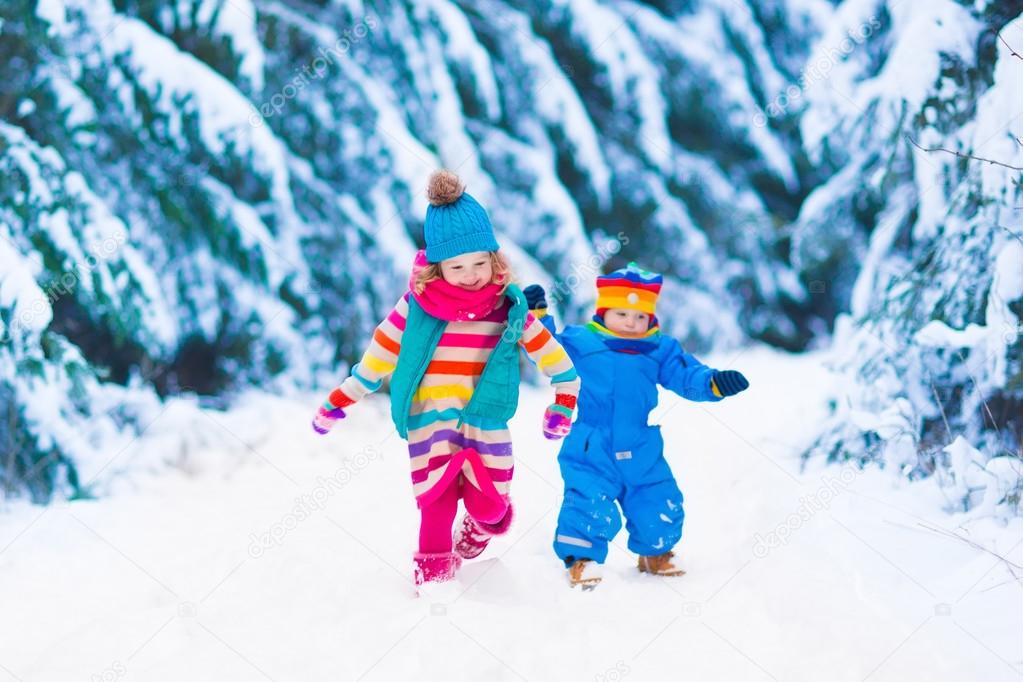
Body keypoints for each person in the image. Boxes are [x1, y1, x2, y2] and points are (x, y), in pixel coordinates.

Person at [312, 170, 580, 587]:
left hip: (484, 423)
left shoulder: (506, 308)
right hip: (430, 424)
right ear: (437, 268)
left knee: (492, 507)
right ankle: (433, 585)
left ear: (494, 259)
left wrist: (563, 400)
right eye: (457, 266)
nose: (471, 274)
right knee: (435, 509)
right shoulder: (417, 307)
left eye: (480, 262)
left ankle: (476, 530)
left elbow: (551, 354)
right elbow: (379, 353)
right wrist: (342, 399)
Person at [523, 263, 749, 588]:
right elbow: (545, 350)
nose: (631, 322)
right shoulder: (581, 341)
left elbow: (685, 374)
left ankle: (656, 553)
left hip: (640, 445)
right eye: (622, 314)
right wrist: (536, 317)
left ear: (651, 319)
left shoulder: (658, 349)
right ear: (603, 311)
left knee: (657, 497)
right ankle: (581, 559)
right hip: (591, 444)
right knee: (588, 501)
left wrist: (714, 382)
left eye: (640, 317)